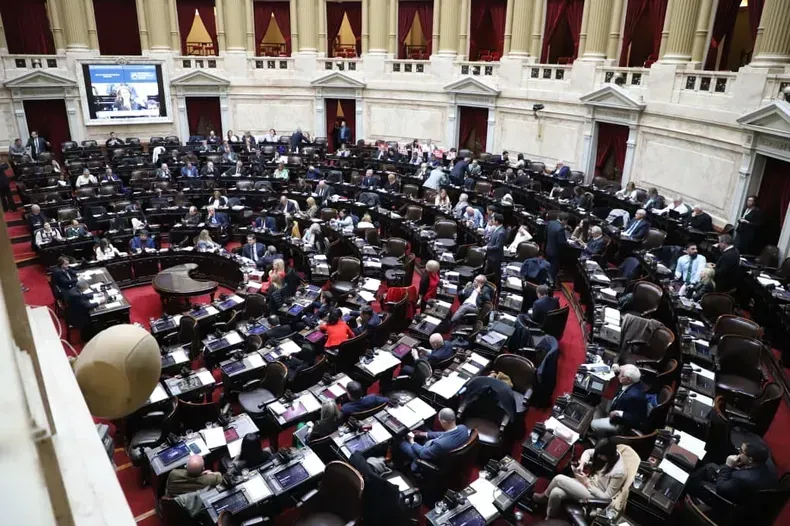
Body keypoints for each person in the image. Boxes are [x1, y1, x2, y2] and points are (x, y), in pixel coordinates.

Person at [533, 439, 626, 519]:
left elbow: (606, 498)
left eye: (600, 455)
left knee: (558, 479)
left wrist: (586, 483)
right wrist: (582, 464)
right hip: (589, 484)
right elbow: (587, 452)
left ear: (608, 455)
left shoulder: (619, 472)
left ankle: (544, 496)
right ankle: (549, 519)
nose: (598, 456)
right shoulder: (610, 453)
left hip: (596, 495)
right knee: (556, 492)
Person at [687, 440, 776, 507]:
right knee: (710, 466)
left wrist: (728, 466)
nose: (738, 452)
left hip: (729, 502)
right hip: (748, 497)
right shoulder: (769, 466)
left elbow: (721, 487)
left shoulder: (741, 478)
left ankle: (686, 486)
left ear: (750, 459)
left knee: (699, 483)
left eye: (741, 451)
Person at [399, 408, 470, 473]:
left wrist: (412, 441)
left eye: (439, 420)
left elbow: (423, 453)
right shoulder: (463, 428)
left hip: (428, 458)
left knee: (401, 442)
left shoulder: (439, 444)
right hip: (443, 448)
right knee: (424, 428)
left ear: (444, 422)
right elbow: (445, 434)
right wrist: (424, 434)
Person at [590, 364, 648, 437]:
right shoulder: (635, 382)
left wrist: (620, 413)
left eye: (621, 375)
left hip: (620, 423)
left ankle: (602, 437)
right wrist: (617, 368)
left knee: (593, 424)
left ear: (629, 379)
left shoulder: (633, 396)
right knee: (597, 406)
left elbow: (636, 419)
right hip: (617, 407)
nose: (618, 376)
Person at [545, 213, 569, 283]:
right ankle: (550, 283)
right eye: (566, 221)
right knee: (553, 269)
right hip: (555, 253)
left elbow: (545, 235)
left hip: (548, 249)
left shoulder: (550, 223)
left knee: (547, 266)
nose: (566, 223)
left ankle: (545, 280)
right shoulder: (560, 228)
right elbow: (562, 243)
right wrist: (567, 242)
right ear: (564, 220)